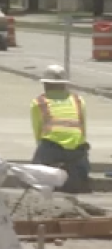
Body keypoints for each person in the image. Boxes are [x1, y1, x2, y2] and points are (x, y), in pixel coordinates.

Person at [30, 65, 91, 193]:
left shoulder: (39, 102)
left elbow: (38, 131)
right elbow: (82, 128)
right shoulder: (78, 100)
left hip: (51, 147)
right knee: (80, 174)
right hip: (77, 149)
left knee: (35, 175)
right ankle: (81, 183)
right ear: (65, 84)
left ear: (45, 84)